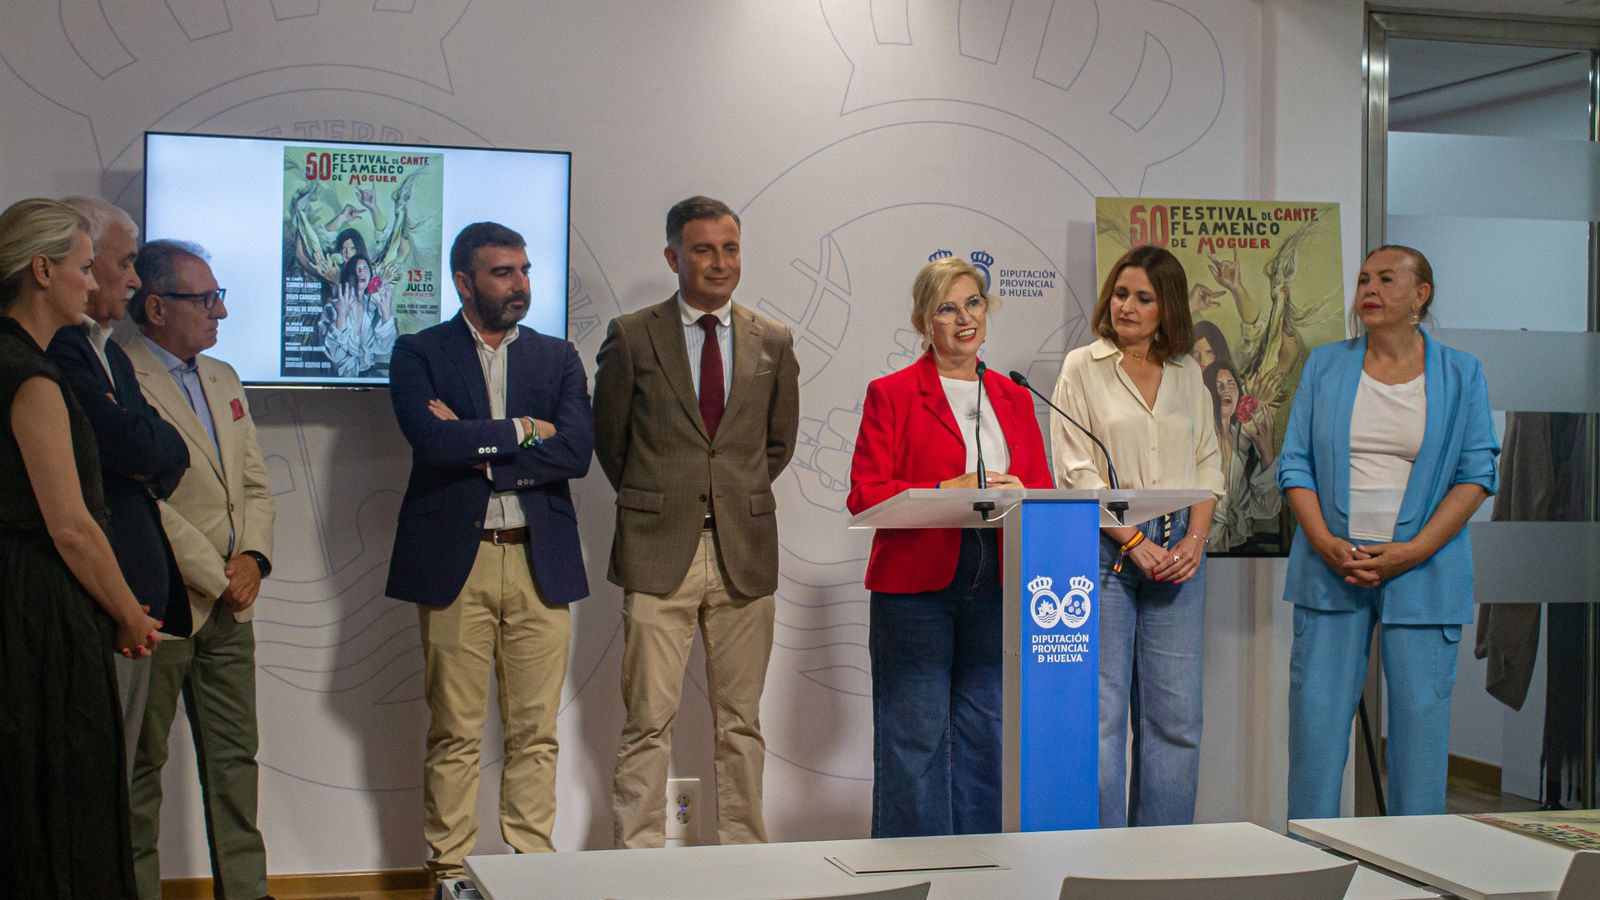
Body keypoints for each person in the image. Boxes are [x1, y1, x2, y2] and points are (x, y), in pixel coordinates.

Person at [386, 222, 593, 887]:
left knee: (536, 731)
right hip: (458, 559)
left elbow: (576, 454)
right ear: (464, 281)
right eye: (503, 273)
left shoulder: (557, 357)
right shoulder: (418, 351)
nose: (520, 284)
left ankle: (530, 872)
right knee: (455, 731)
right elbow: (430, 442)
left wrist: (482, 449)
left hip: (539, 559)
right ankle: (448, 872)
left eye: (525, 270)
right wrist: (525, 432)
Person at [594, 195, 800, 848]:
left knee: (741, 724)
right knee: (647, 722)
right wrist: (665, 497)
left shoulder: (773, 338)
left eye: (730, 248)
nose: (719, 262)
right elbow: (612, 442)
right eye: (704, 249)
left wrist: (728, 494)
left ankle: (745, 864)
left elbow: (777, 444)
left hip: (744, 550)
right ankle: (638, 866)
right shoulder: (632, 335)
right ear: (673, 256)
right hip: (659, 551)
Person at [1280, 245, 1498, 818]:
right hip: (1331, 568)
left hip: (1424, 571)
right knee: (1316, 734)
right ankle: (1310, 866)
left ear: (1420, 295)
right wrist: (1325, 541)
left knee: (1420, 738)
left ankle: (1415, 870)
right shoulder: (1325, 365)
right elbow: (1294, 464)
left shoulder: (1462, 372)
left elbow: (1477, 474)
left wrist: (1415, 550)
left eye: (1385, 278)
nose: (1368, 289)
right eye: (1362, 280)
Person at [845, 255, 1052, 837]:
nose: (964, 319)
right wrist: (944, 489)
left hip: (998, 576)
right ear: (923, 322)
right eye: (946, 308)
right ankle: (914, 869)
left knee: (986, 733)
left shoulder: (1013, 395)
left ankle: (982, 872)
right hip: (916, 583)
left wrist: (1022, 489)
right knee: (915, 735)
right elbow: (865, 494)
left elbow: (1038, 484)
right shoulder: (891, 393)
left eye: (974, 304)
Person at [0, 197, 162, 898]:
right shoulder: (30, 376)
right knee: (60, 792)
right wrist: (128, 612)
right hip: (37, 611)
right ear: (42, 270)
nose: (94, 283)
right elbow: (69, 524)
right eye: (82, 267)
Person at [122, 239, 277, 900]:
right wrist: (217, 573)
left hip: (231, 606)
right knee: (141, 767)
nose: (219, 311)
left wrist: (254, 559)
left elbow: (256, 486)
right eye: (205, 298)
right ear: (156, 307)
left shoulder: (224, 376)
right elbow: (137, 500)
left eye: (220, 296)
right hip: (161, 602)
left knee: (234, 761)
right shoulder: (117, 373)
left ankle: (245, 892)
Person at [1050, 244, 1224, 827]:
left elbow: (1208, 464)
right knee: (1101, 718)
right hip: (1105, 546)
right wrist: (1132, 540)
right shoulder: (1083, 366)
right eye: (1121, 293)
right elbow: (1075, 469)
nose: (1126, 306)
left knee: (1175, 720)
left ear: (1166, 307)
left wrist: (1194, 541)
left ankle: (1162, 860)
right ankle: (1102, 857)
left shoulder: (1185, 374)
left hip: (1181, 547)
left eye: (1143, 298)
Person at [47, 197, 191, 771]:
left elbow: (167, 453)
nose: (133, 279)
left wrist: (150, 449)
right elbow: (128, 445)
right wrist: (148, 448)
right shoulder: (55, 350)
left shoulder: (109, 354)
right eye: (122, 263)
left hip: (132, 602)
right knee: (90, 779)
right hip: (96, 605)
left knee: (119, 772)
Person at [1203, 360, 1280, 553]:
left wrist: (1267, 454)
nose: (1224, 390)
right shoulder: (1199, 440)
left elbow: (1267, 509)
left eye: (1231, 384)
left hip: (1240, 544)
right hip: (1201, 543)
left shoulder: (1244, 444)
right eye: (1217, 385)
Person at [320, 252, 398, 377]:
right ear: (349, 275)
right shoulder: (334, 306)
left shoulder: (374, 305)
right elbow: (335, 355)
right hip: (340, 379)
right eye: (357, 269)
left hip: (370, 376)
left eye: (365, 268)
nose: (361, 272)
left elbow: (384, 348)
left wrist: (386, 315)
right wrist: (342, 316)